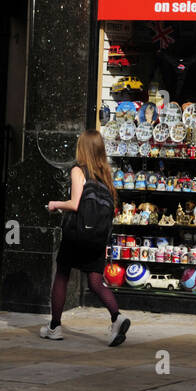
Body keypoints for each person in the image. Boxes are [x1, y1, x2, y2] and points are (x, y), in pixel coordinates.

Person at [43, 129, 131, 347]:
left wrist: (55, 205)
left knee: (62, 274)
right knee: (95, 281)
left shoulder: (78, 170)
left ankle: (55, 326)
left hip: (77, 234)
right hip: (98, 238)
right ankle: (117, 317)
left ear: (82, 148)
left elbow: (74, 204)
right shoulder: (105, 177)